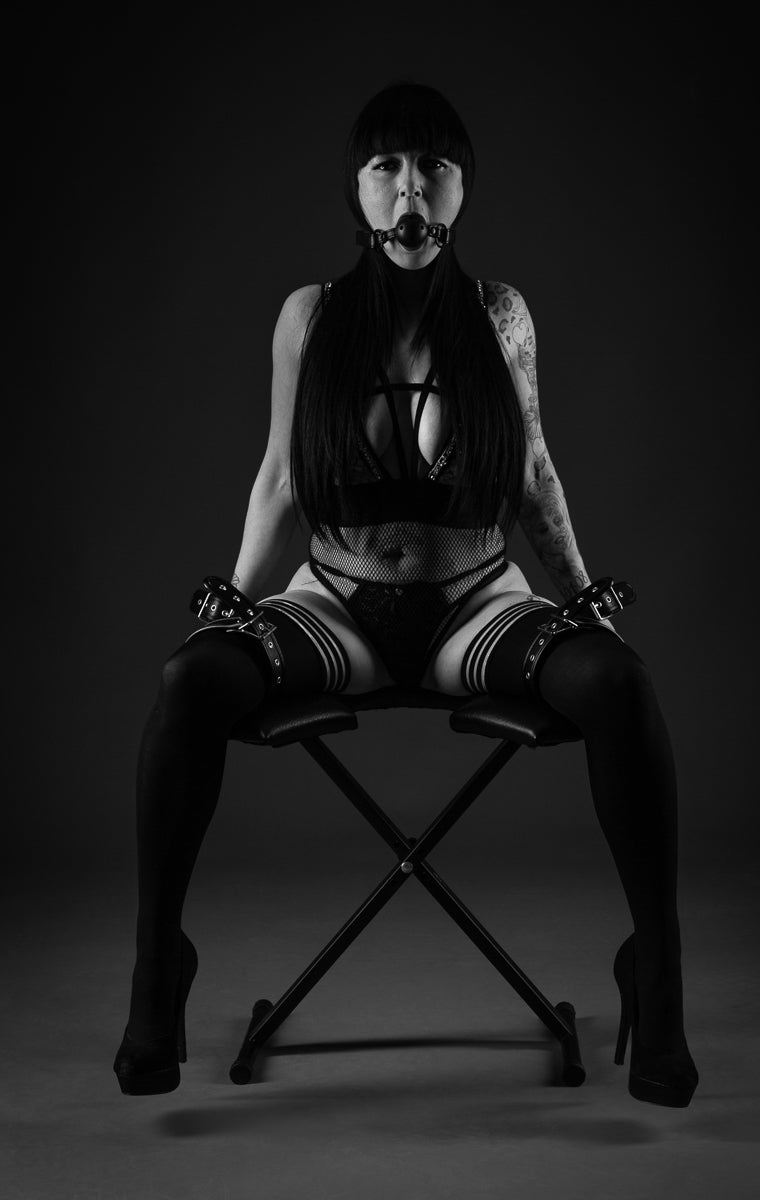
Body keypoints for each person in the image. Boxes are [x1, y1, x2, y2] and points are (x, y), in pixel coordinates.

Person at [114, 82, 698, 1107]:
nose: (410, 188)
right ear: (358, 188)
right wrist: (235, 601)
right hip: (339, 608)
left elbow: (532, 475)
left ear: (462, 188)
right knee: (188, 680)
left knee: (619, 682)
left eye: (433, 165)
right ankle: (158, 965)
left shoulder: (500, 315)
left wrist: (580, 601)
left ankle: (655, 969)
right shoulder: (311, 317)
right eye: (386, 165)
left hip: (472, 609)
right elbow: (280, 478)